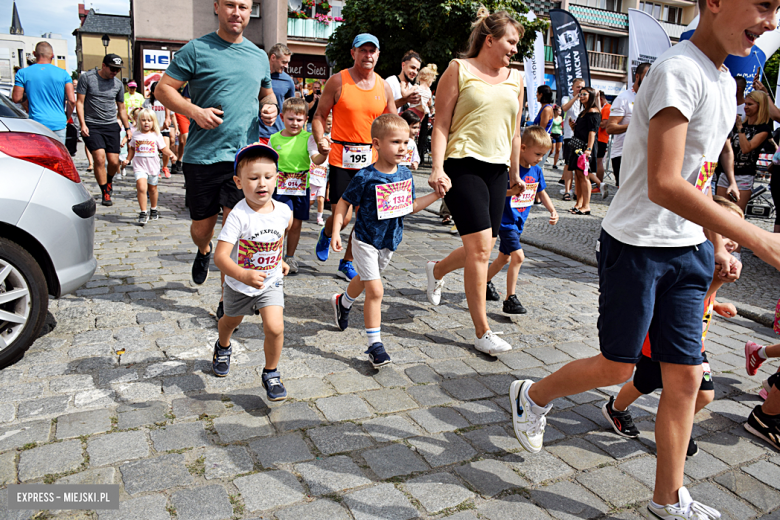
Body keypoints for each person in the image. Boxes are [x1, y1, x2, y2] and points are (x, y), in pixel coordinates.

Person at [508, 0, 780, 517]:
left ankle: (668, 501)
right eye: (764, 5)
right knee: (618, 365)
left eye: (777, 9)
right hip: (636, 247)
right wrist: (758, 239)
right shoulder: (678, 70)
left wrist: (716, 240)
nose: (771, 22)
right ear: (715, 3)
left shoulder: (724, 82)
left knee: (686, 379)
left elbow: (697, 175)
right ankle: (533, 395)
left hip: (689, 250)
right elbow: (663, 183)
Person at [154, 0, 277, 322]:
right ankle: (203, 250)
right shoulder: (196, 50)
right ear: (217, 7)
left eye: (244, 7)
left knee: (235, 234)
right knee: (202, 227)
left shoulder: (258, 55)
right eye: (231, 5)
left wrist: (270, 106)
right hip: (203, 156)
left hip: (242, 159)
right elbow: (163, 89)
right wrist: (194, 111)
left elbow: (267, 92)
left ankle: (227, 302)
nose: (238, 13)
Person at [603, 195, 742, 456]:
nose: (733, 240)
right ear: (704, 227)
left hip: (693, 341)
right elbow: (689, 305)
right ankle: (616, 408)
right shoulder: (697, 258)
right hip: (662, 338)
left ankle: (676, 426)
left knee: (703, 394)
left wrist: (718, 302)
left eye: (735, 232)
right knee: (644, 383)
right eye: (726, 231)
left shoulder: (716, 259)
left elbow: (705, 299)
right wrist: (719, 283)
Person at [424, 8, 524, 356]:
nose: (514, 49)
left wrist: (515, 173)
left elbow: (514, 132)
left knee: (482, 247)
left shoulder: (516, 78)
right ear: (490, 39)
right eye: (511, 41)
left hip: (497, 171)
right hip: (462, 163)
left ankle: (436, 270)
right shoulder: (458, 69)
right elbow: (441, 123)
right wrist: (437, 168)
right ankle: (482, 330)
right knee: (481, 248)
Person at [329, 114, 441, 367]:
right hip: (365, 240)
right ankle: (374, 345)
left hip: (389, 242)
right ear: (377, 144)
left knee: (366, 281)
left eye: (406, 142)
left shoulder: (405, 175)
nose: (403, 148)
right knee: (376, 290)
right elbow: (345, 202)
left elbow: (409, 207)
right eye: (395, 142)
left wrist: (436, 195)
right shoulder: (366, 176)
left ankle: (343, 302)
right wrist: (336, 231)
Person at [311, 33, 396, 281]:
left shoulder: (384, 86)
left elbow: (393, 124)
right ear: (353, 53)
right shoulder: (338, 81)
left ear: (378, 54)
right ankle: (328, 232)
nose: (368, 55)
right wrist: (320, 139)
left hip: (372, 161)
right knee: (344, 216)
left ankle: (347, 262)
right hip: (341, 159)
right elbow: (319, 115)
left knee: (365, 217)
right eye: (363, 50)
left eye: (372, 51)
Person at [212, 143, 292, 401]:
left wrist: (279, 260)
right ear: (238, 182)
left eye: (268, 177)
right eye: (253, 178)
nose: (262, 184)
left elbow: (280, 235)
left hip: (270, 283)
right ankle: (223, 346)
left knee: (275, 327)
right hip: (239, 286)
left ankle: (271, 372)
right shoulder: (238, 215)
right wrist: (242, 275)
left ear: (277, 179)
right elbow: (220, 256)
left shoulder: (283, 211)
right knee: (230, 323)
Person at [484, 126, 558, 313]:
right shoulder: (510, 169)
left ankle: (482, 282)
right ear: (523, 148)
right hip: (505, 220)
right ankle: (510, 298)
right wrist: (511, 191)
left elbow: (542, 192)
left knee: (504, 258)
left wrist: (552, 210)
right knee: (518, 256)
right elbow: (495, 194)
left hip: (519, 222)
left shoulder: (537, 171)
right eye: (538, 154)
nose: (540, 159)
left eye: (543, 155)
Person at [717, 89, 772, 262]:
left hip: (745, 175)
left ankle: (736, 253)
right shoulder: (739, 124)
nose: (745, 108)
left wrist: (740, 128)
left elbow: (747, 148)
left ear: (760, 106)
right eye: (745, 104)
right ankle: (717, 249)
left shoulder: (764, 127)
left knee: (738, 216)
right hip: (726, 172)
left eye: (750, 104)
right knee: (719, 212)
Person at [77, 54, 132, 207]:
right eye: (113, 69)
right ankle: (105, 192)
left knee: (114, 162)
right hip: (92, 124)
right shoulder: (87, 78)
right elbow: (80, 102)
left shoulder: (118, 84)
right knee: (99, 158)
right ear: (104, 65)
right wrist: (82, 124)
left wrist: (127, 128)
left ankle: (109, 180)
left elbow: (121, 107)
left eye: (118, 70)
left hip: (110, 125)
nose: (115, 72)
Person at [270, 97, 313, 274]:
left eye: (299, 120)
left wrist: (324, 154)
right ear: (281, 117)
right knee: (284, 222)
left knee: (296, 224)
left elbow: (316, 158)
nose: (294, 123)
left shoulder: (309, 138)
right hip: (280, 186)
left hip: (302, 186)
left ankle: (290, 256)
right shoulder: (274, 138)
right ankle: (275, 256)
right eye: (290, 119)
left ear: (305, 120)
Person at [12, 42, 75, 144]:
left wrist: (27, 103)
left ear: (34, 53)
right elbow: (72, 100)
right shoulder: (63, 73)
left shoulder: (23, 73)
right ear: (52, 56)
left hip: (37, 123)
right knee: (57, 157)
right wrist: (66, 117)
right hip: (58, 123)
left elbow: (16, 98)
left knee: (39, 157)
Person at [123, 107, 177, 225]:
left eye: (149, 120)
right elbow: (132, 148)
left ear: (153, 122)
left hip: (153, 166)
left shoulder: (156, 135)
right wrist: (127, 159)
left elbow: (163, 148)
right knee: (141, 187)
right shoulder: (136, 134)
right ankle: (143, 212)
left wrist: (172, 155)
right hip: (139, 166)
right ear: (138, 121)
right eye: (143, 120)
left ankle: (154, 208)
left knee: (152, 189)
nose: (146, 123)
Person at [606, 62, 651, 188]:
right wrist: (635, 124)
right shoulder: (624, 98)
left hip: (644, 154)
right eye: (647, 75)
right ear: (637, 76)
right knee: (625, 195)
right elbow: (610, 127)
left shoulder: (650, 98)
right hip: (623, 154)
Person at [567, 86, 600, 215]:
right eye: (580, 94)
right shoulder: (584, 111)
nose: (581, 97)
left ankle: (586, 205)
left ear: (590, 95)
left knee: (584, 176)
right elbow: (583, 131)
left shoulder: (593, 111)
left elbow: (592, 132)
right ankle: (579, 203)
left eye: (584, 94)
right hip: (578, 146)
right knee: (578, 175)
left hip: (586, 148)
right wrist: (573, 127)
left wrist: (589, 149)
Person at [259, 44, 296, 141]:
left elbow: (291, 109)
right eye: (284, 62)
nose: (287, 66)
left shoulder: (288, 81)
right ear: (273, 57)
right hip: (256, 133)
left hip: (277, 133)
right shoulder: (257, 75)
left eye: (288, 62)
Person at [559, 78, 585, 201]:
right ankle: (567, 190)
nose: (580, 89)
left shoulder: (586, 100)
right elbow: (564, 108)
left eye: (582, 87)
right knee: (568, 163)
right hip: (570, 136)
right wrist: (575, 97)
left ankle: (577, 191)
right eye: (578, 87)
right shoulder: (567, 97)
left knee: (579, 165)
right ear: (573, 87)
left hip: (581, 136)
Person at [143, 82, 174, 178]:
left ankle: (165, 167)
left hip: (164, 128)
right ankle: (156, 168)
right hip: (152, 130)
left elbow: (172, 115)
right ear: (152, 92)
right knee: (155, 151)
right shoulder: (147, 102)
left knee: (166, 149)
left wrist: (169, 121)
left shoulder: (166, 101)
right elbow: (144, 114)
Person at [308, 114, 331, 226]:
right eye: (328, 123)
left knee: (320, 199)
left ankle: (319, 217)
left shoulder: (330, 138)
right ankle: (306, 210)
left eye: (332, 124)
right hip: (313, 175)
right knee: (311, 200)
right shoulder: (312, 139)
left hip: (322, 175)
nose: (330, 126)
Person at [413, 64, 438, 159]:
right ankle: (419, 156)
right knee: (421, 135)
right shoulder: (428, 89)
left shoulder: (417, 87)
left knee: (414, 133)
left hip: (415, 110)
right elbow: (430, 103)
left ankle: (415, 155)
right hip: (424, 112)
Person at [172, 84, 191, 174]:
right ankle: (180, 161)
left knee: (182, 141)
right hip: (184, 113)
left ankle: (179, 161)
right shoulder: (189, 85)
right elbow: (187, 101)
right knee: (185, 140)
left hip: (198, 114)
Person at [596, 90, 611, 195]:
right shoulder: (604, 107)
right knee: (597, 161)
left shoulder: (606, 108)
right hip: (600, 138)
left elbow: (603, 124)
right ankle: (597, 183)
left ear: (600, 99)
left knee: (599, 161)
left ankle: (599, 184)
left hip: (601, 138)